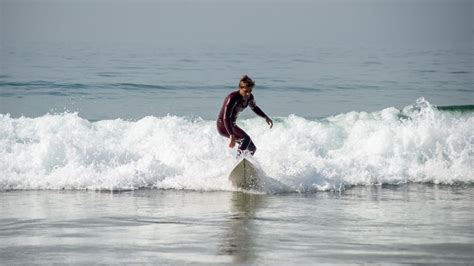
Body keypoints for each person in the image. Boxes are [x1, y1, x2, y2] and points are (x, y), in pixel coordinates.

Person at [217, 75, 273, 157]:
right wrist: (231, 135)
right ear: (240, 88)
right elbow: (226, 117)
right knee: (245, 139)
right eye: (246, 91)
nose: (248, 93)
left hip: (232, 125)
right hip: (223, 124)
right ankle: (238, 160)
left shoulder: (250, 98)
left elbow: (254, 107)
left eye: (250, 91)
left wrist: (265, 117)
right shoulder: (232, 98)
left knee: (252, 148)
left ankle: (244, 164)